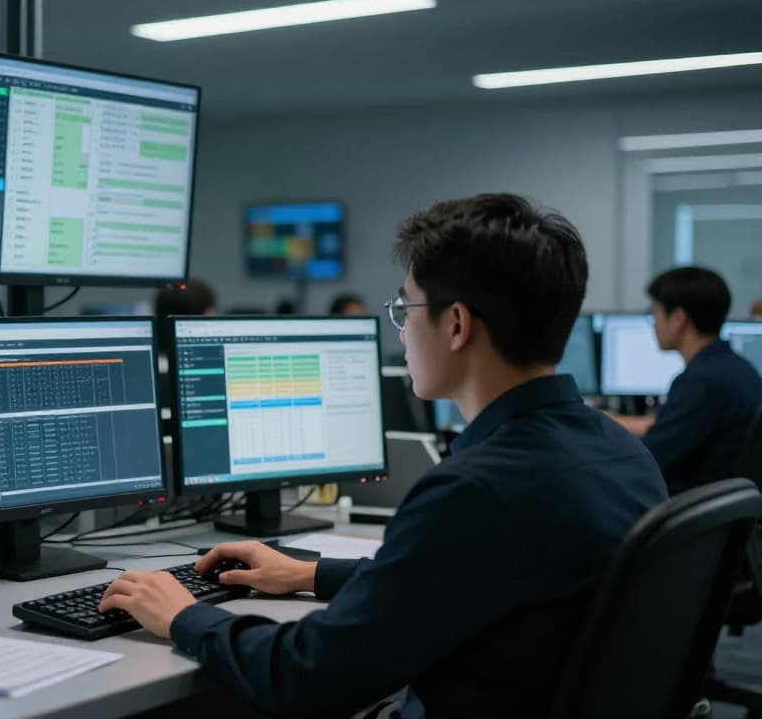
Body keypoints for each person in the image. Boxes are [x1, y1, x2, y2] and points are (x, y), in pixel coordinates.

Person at [98, 194, 667, 719]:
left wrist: (183, 615)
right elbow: (464, 578)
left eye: (406, 308)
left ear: (457, 324)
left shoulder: (474, 491)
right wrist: (310, 573)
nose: (401, 328)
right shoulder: (618, 450)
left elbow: (305, 676)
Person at [608, 267, 762, 493]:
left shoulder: (702, 381)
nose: (653, 323)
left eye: (656, 312)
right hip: (726, 507)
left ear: (678, 318)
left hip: (693, 507)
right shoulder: (738, 368)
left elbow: (648, 459)